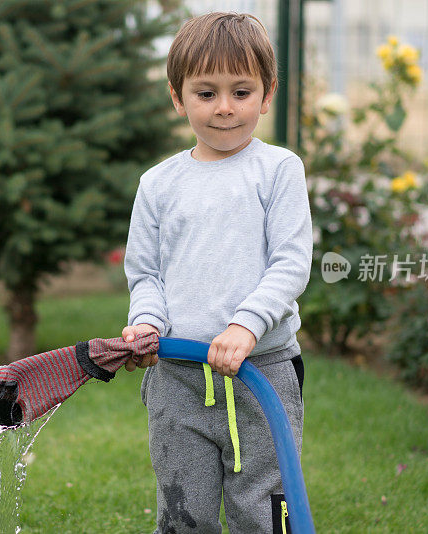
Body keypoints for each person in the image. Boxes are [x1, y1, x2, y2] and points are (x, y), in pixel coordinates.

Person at [120, 11, 313, 534]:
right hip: (177, 379)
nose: (224, 108)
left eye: (241, 91)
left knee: (264, 509)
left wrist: (245, 324)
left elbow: (291, 264)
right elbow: (145, 274)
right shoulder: (158, 184)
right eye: (206, 93)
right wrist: (147, 324)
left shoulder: (279, 171)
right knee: (185, 512)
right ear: (178, 97)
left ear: (267, 94)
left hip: (263, 374)